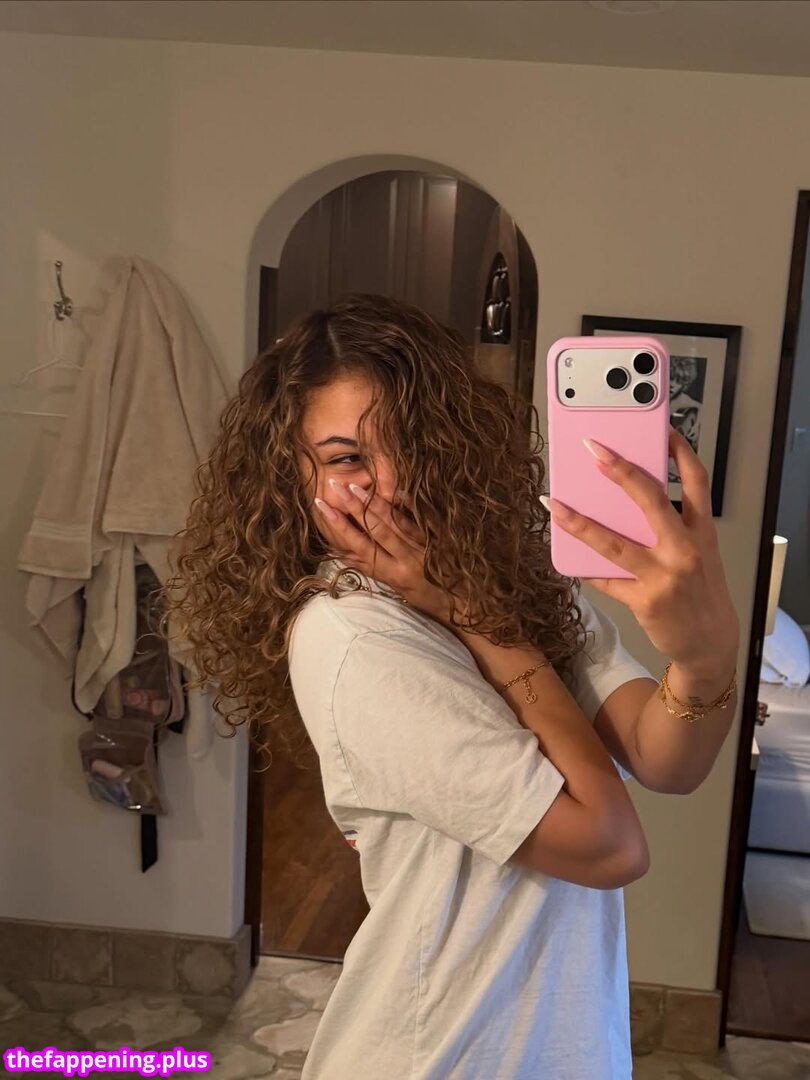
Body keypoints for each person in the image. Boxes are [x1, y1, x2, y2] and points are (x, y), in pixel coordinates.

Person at [161, 294, 739, 1079]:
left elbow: (665, 758)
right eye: (346, 458)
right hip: (443, 1055)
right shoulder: (353, 635)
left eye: (410, 441)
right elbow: (610, 846)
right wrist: (481, 624)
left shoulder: (502, 578)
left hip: (561, 1044)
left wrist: (706, 661)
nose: (391, 480)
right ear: (289, 477)